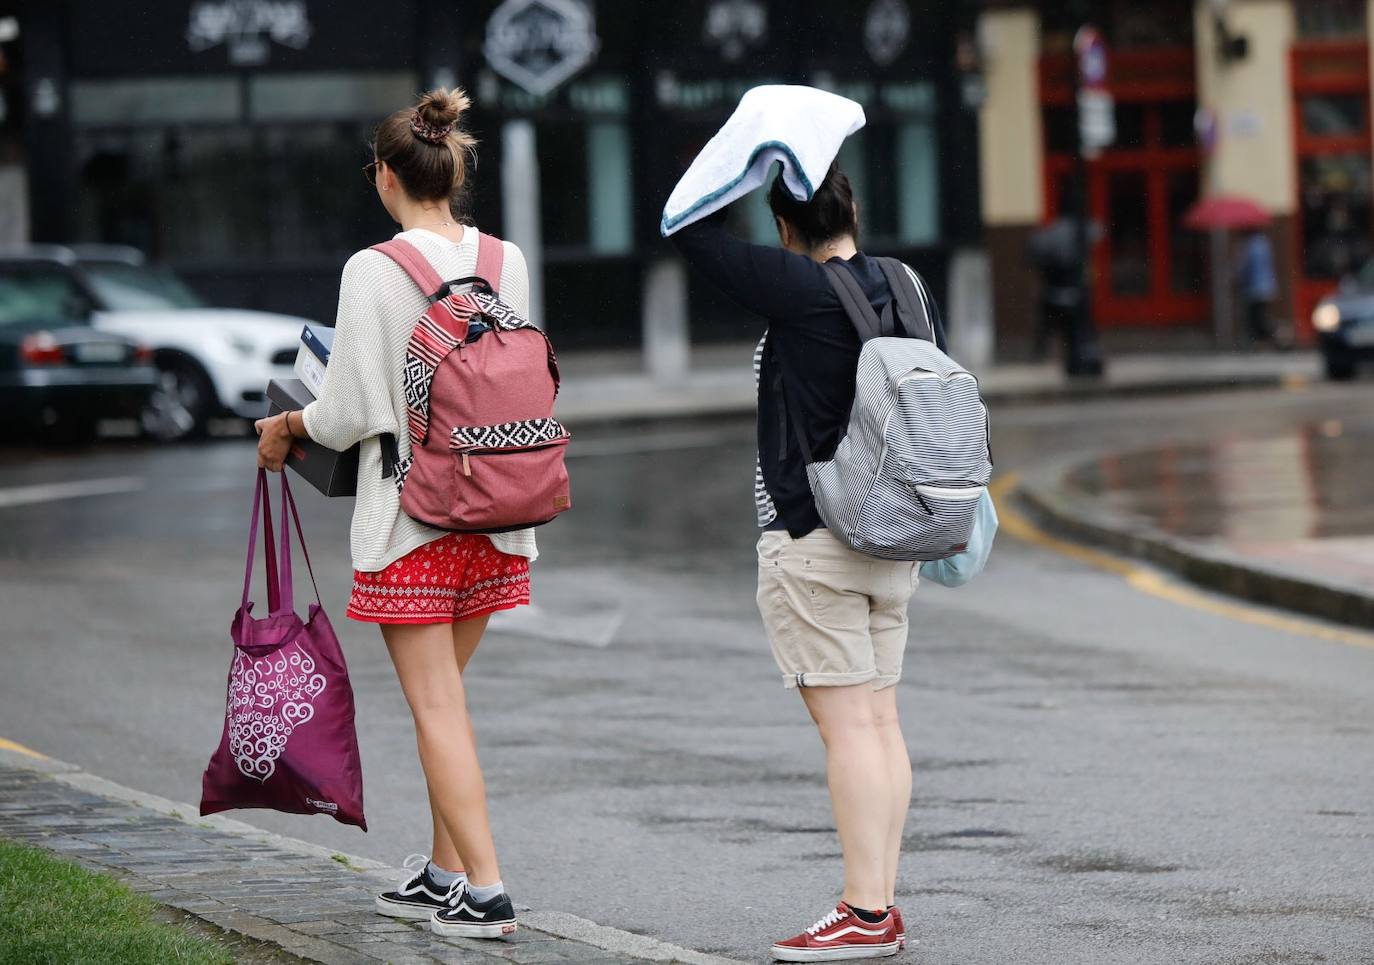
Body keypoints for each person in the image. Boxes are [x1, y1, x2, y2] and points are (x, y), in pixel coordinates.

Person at [255, 88, 531, 940]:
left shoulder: (372, 272)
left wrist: (285, 426)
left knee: (436, 706)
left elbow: (342, 417)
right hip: (497, 515)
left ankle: (487, 891)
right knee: (444, 699)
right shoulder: (506, 259)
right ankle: (447, 871)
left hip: (412, 523)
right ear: (452, 171)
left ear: (384, 175)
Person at [672, 163, 928, 961]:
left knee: (850, 727)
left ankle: (862, 909)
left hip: (816, 541)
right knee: (880, 720)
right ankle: (879, 904)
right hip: (898, 537)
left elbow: (686, 229)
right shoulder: (904, 284)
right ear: (852, 208)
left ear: (785, 228)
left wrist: (743, 160)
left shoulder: (797, 288)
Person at [1236, 228, 1279, 347]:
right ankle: (1269, 337)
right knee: (1261, 315)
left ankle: (1268, 337)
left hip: (1254, 288)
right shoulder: (1264, 243)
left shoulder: (1250, 245)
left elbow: (1246, 267)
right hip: (1268, 286)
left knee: (1255, 318)